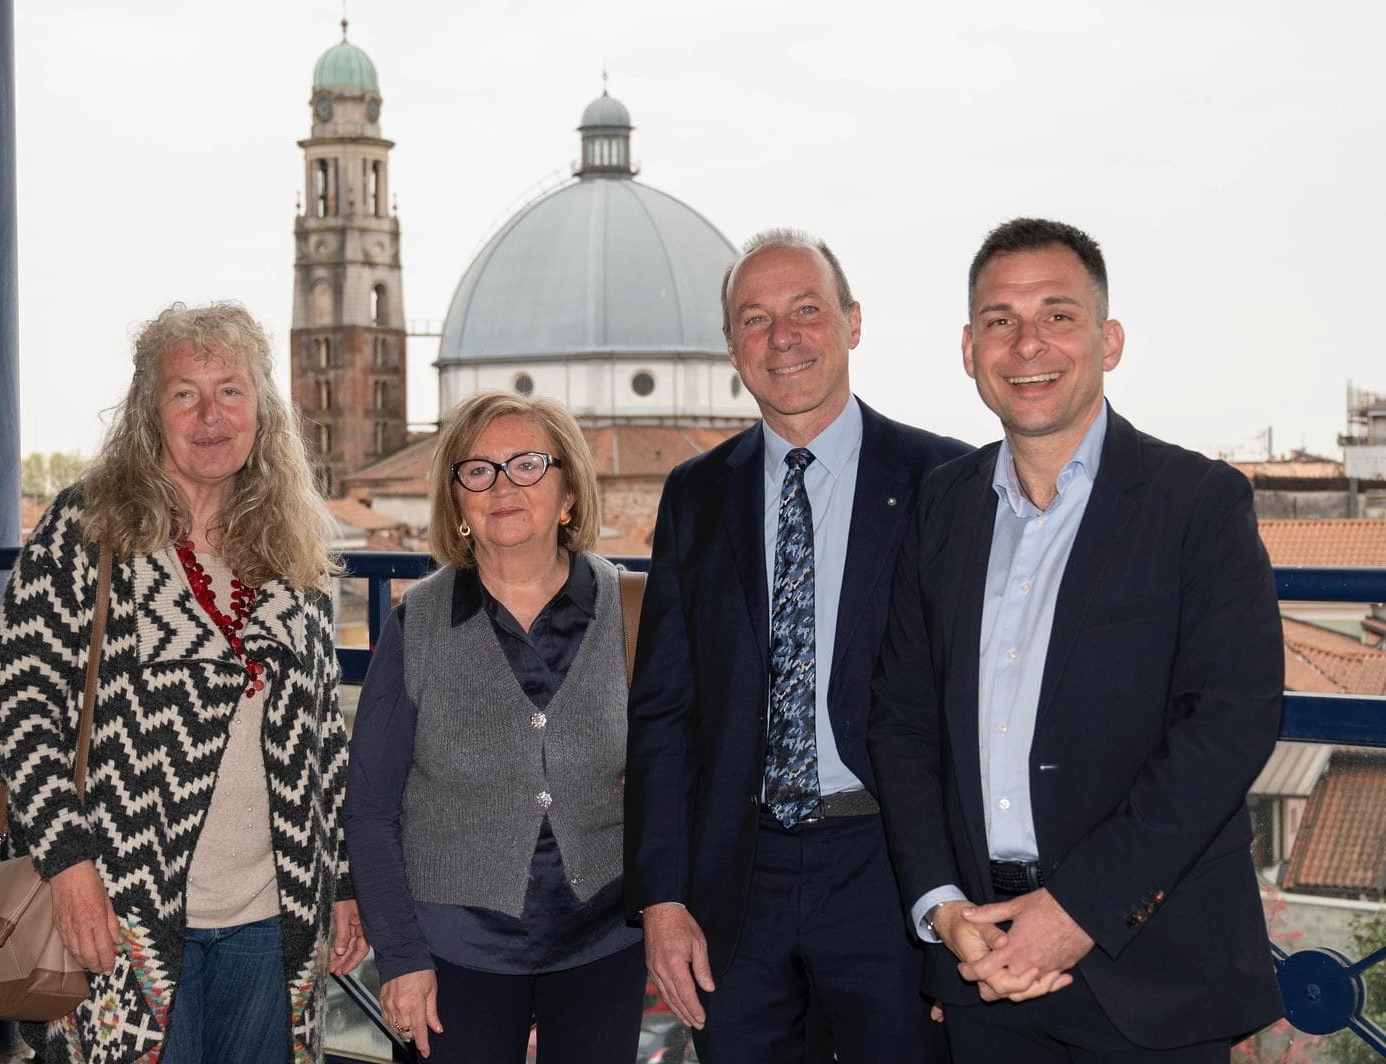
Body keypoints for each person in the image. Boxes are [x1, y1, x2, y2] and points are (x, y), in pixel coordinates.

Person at [868, 217, 1284, 1061]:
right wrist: (944, 908)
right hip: (983, 962)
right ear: (967, 347)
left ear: (1110, 340)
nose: (1027, 345)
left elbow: (1228, 725)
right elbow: (900, 722)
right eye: (998, 320)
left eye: (1057, 314)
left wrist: (1079, 912)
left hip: (1151, 969)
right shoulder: (940, 507)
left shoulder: (1197, 502)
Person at [0, 301, 367, 1064]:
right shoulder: (86, 528)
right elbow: (23, 708)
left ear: (261, 408)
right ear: (147, 411)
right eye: (184, 393)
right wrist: (68, 867)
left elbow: (326, 734)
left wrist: (346, 879)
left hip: (274, 917)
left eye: (230, 390)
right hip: (122, 911)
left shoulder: (292, 545)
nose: (210, 415)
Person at [623, 229, 968, 1063]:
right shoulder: (697, 494)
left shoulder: (944, 480)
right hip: (737, 876)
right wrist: (663, 899)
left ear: (853, 322)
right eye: (755, 319)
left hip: (891, 867)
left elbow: (973, 706)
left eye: (806, 310)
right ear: (733, 349)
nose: (783, 338)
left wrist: (964, 905)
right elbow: (663, 709)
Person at [343, 391, 646, 1063]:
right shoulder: (417, 623)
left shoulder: (629, 610)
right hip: (453, 953)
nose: (503, 485)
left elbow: (679, 774)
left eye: (528, 464)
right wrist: (399, 956)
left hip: (602, 944)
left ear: (569, 492)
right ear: (458, 503)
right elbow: (368, 807)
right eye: (478, 470)